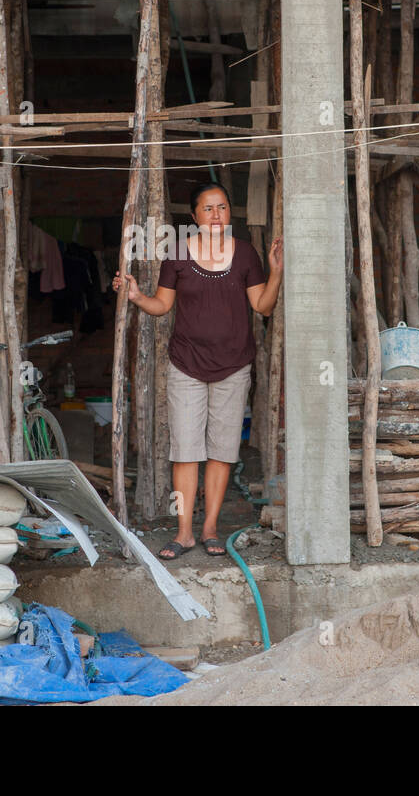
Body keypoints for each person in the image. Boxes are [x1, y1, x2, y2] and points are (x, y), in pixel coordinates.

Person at [112, 181, 283, 559]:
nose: (217, 215)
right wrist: (138, 296)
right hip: (186, 365)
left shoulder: (245, 254)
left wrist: (275, 273)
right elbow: (162, 306)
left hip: (234, 365)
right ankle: (185, 532)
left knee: (222, 451)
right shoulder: (177, 255)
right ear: (194, 216)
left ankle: (210, 530)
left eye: (222, 208)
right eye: (208, 209)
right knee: (186, 451)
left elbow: (263, 307)